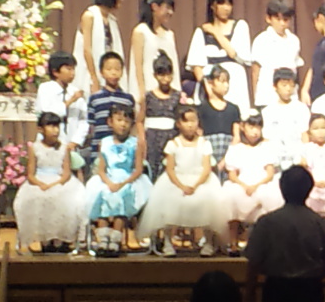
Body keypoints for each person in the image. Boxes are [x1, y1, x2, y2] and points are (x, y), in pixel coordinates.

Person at [137, 106, 226, 258]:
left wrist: (195, 186)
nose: (190, 125)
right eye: (186, 121)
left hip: (200, 181)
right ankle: (167, 241)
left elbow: (206, 169)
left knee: (208, 200)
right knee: (169, 200)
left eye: (193, 121)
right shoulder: (173, 144)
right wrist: (181, 186)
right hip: (177, 180)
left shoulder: (204, 143)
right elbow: (170, 169)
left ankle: (208, 242)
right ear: (178, 123)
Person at [244, 166, 325, 302]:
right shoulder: (320, 223)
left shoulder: (266, 222)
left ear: (281, 187)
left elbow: (253, 262)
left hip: (276, 289)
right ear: (309, 189)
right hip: (310, 290)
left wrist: (250, 293)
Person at [13, 112, 86, 252]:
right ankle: (44, 239)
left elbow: (66, 173)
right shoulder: (34, 147)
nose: (55, 130)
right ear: (40, 129)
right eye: (51, 126)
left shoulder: (64, 147)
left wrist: (54, 184)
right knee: (35, 198)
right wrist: (41, 184)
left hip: (60, 181)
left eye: (57, 126)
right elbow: (31, 174)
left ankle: (60, 239)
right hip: (40, 180)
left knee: (66, 199)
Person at [85, 105, 152, 256]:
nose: (123, 124)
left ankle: (116, 238)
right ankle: (103, 239)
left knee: (122, 195)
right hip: (108, 178)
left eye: (127, 121)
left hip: (128, 179)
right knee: (102, 193)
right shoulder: (105, 142)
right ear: (110, 122)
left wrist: (122, 183)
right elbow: (101, 169)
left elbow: (138, 169)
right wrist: (109, 183)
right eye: (119, 120)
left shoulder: (135, 143)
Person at [222, 112, 284, 256]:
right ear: (243, 127)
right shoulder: (236, 148)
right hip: (242, 182)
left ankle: (268, 244)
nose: (255, 131)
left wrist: (256, 186)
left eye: (258, 127)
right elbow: (232, 174)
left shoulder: (267, 147)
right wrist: (243, 185)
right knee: (230, 196)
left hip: (262, 182)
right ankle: (233, 244)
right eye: (251, 127)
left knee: (269, 196)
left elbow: (270, 173)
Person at [186, 0, 252, 119]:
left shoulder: (240, 26)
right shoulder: (201, 32)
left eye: (229, 4)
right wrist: (209, 89)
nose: (226, 8)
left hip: (234, 83)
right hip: (210, 86)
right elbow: (197, 66)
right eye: (222, 4)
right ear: (212, 6)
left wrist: (216, 32)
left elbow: (234, 54)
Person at [72, 0, 127, 98]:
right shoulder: (90, 16)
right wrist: (94, 77)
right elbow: (87, 49)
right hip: (90, 73)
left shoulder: (111, 20)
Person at [128, 0, 181, 104]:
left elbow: (174, 66)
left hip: (169, 92)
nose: (170, 12)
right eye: (167, 8)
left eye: (172, 9)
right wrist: (141, 92)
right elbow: (137, 65)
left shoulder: (169, 34)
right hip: (148, 90)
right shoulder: (141, 31)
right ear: (154, 7)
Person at [251, 0, 304, 108]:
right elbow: (255, 70)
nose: (282, 23)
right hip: (267, 96)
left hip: (290, 96)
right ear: (268, 19)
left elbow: (295, 69)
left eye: (285, 20)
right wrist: (256, 96)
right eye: (278, 19)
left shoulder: (294, 40)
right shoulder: (262, 40)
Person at [136, 51, 181, 181]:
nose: (165, 79)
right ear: (155, 75)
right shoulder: (148, 96)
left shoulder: (177, 96)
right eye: (161, 75)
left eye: (168, 74)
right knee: (152, 172)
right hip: (152, 139)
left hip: (171, 138)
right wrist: (142, 140)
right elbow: (139, 121)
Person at [86, 52, 135, 167]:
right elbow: (91, 125)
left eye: (117, 69)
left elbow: (132, 125)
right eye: (109, 69)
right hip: (99, 149)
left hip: (122, 151)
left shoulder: (127, 99)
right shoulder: (95, 98)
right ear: (101, 72)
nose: (113, 72)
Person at [35, 51, 89, 151]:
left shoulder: (75, 92)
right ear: (55, 72)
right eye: (68, 69)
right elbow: (48, 114)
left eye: (73, 69)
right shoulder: (45, 89)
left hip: (72, 146)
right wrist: (71, 101)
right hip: (49, 146)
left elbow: (84, 120)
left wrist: (75, 142)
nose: (72, 73)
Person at [198, 65, 242, 180]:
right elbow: (199, 135)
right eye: (222, 81)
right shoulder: (202, 109)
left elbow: (236, 137)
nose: (226, 85)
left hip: (228, 154)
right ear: (211, 83)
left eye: (227, 82)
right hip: (208, 155)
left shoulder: (233, 109)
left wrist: (224, 161)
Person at [262, 68, 311, 169]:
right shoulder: (268, 111)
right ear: (275, 86)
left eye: (291, 85)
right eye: (284, 85)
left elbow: (304, 134)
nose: (288, 89)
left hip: (297, 157)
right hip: (276, 158)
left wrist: (305, 156)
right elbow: (267, 138)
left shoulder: (301, 108)